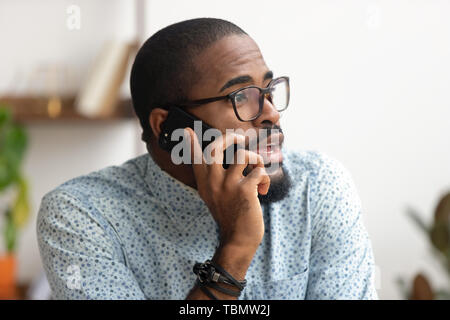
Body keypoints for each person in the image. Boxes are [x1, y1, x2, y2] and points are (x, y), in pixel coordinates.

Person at [37, 18, 378, 299]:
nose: (271, 114)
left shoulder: (318, 188)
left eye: (269, 91)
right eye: (242, 96)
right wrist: (236, 247)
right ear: (168, 127)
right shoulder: (82, 216)